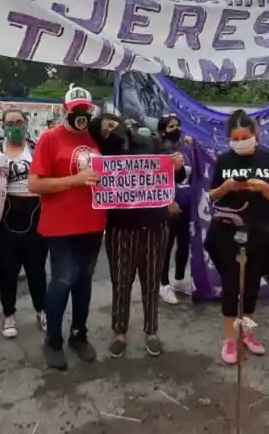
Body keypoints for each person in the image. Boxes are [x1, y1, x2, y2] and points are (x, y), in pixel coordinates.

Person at [93, 114, 186, 357]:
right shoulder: (102, 157)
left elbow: (174, 177)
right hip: (121, 228)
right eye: (104, 131)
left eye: (113, 125)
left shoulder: (152, 144)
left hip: (154, 225)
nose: (111, 131)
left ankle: (151, 331)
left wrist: (177, 166)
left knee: (152, 281)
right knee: (121, 282)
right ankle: (120, 332)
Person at [28, 85, 106, 370]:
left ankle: (79, 334)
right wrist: (73, 181)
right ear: (65, 111)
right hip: (60, 225)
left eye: (86, 111)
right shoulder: (50, 139)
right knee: (62, 281)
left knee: (84, 281)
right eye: (76, 112)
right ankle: (53, 340)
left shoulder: (96, 138)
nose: (81, 116)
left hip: (93, 223)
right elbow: (34, 184)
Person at [207, 110, 269, 364]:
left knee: (251, 285)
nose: (241, 141)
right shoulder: (223, 160)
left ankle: (248, 333)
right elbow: (211, 196)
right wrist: (226, 187)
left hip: (259, 230)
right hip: (227, 230)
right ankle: (230, 338)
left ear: (255, 135)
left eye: (245, 136)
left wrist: (265, 188)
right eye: (236, 137)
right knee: (231, 285)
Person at [0, 109, 47, 339]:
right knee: (8, 269)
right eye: (9, 123)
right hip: (6, 213)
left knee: (37, 268)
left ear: (26, 124)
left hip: (36, 212)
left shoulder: (37, 148)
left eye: (19, 122)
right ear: (2, 125)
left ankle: (42, 310)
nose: (14, 126)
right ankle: (8, 314)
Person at [158, 114, 195, 302]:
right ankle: (163, 284)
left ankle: (179, 279)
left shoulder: (187, 150)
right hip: (169, 206)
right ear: (163, 131)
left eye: (178, 125)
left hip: (188, 206)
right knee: (166, 245)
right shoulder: (159, 152)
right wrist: (168, 202)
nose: (176, 129)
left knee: (184, 244)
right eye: (172, 126)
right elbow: (157, 181)